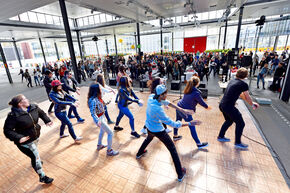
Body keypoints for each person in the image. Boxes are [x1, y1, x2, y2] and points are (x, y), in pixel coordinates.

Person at [136, 85, 201, 182]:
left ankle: (139, 153)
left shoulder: (152, 97)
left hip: (149, 126)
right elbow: (173, 124)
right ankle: (180, 174)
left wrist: (182, 110)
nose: (167, 94)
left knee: (149, 138)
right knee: (173, 150)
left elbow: (167, 102)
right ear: (161, 95)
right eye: (165, 93)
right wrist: (190, 123)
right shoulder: (158, 109)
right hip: (158, 130)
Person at [3, 94, 54, 184]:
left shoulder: (33, 107)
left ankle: (34, 161)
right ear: (20, 104)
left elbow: (41, 113)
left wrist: (47, 120)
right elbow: (7, 130)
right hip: (25, 142)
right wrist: (19, 138)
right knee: (36, 157)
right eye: (25, 99)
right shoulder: (13, 116)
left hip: (35, 137)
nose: (27, 99)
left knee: (34, 156)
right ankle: (42, 176)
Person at [217, 68, 259, 149]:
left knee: (229, 121)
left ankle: (221, 136)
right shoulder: (243, 84)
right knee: (241, 123)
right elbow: (247, 96)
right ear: (246, 76)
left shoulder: (232, 81)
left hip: (222, 105)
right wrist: (252, 104)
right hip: (228, 106)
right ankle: (237, 142)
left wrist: (251, 103)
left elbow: (241, 95)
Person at [173, 76, 210, 149]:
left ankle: (175, 136)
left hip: (179, 107)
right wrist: (207, 107)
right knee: (192, 125)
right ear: (198, 83)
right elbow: (202, 102)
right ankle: (199, 144)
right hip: (185, 111)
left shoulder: (188, 88)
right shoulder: (196, 93)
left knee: (177, 121)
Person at [88, 83, 119, 156]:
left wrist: (109, 101)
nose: (101, 89)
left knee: (102, 131)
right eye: (100, 88)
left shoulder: (98, 97)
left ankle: (99, 145)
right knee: (110, 133)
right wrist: (98, 120)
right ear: (96, 90)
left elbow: (102, 105)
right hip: (99, 119)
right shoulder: (93, 100)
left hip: (102, 117)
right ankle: (109, 151)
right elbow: (93, 113)